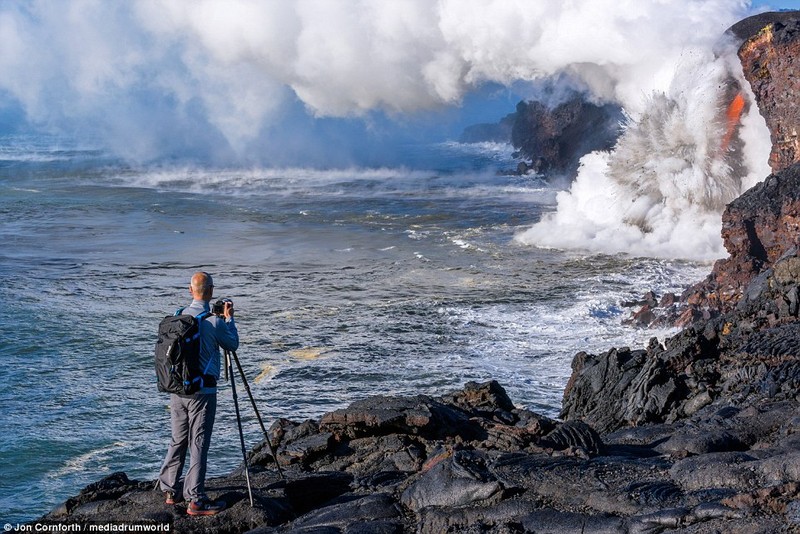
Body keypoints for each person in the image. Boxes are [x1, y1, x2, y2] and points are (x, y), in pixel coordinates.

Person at [158, 271, 239, 517]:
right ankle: (196, 499)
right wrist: (229, 319)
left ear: (190, 290)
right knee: (199, 442)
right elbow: (232, 344)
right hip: (203, 391)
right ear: (211, 291)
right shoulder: (213, 322)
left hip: (177, 389)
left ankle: (170, 491)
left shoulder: (178, 316)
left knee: (178, 439)